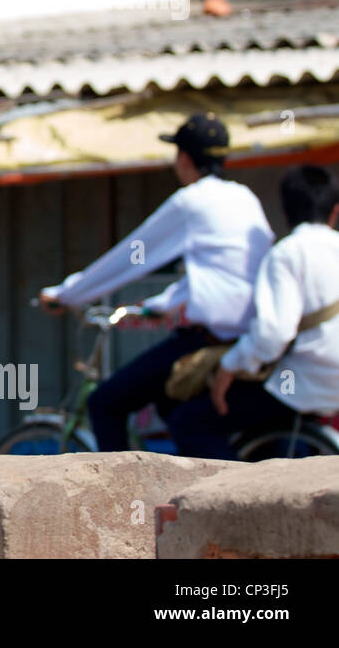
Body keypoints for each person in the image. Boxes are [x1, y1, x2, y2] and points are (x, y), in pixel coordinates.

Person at [39, 113, 274, 451]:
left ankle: (118, 499)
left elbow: (131, 255)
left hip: (205, 341)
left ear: (185, 158)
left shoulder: (192, 201)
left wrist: (66, 294)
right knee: (172, 408)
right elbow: (219, 277)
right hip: (244, 337)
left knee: (105, 403)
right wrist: (155, 306)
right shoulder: (245, 198)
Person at [167, 165, 339, 458]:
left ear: (286, 212)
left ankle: (238, 498)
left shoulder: (288, 253)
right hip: (325, 383)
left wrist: (229, 365)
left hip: (305, 382)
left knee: (188, 422)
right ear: (334, 211)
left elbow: (274, 333)